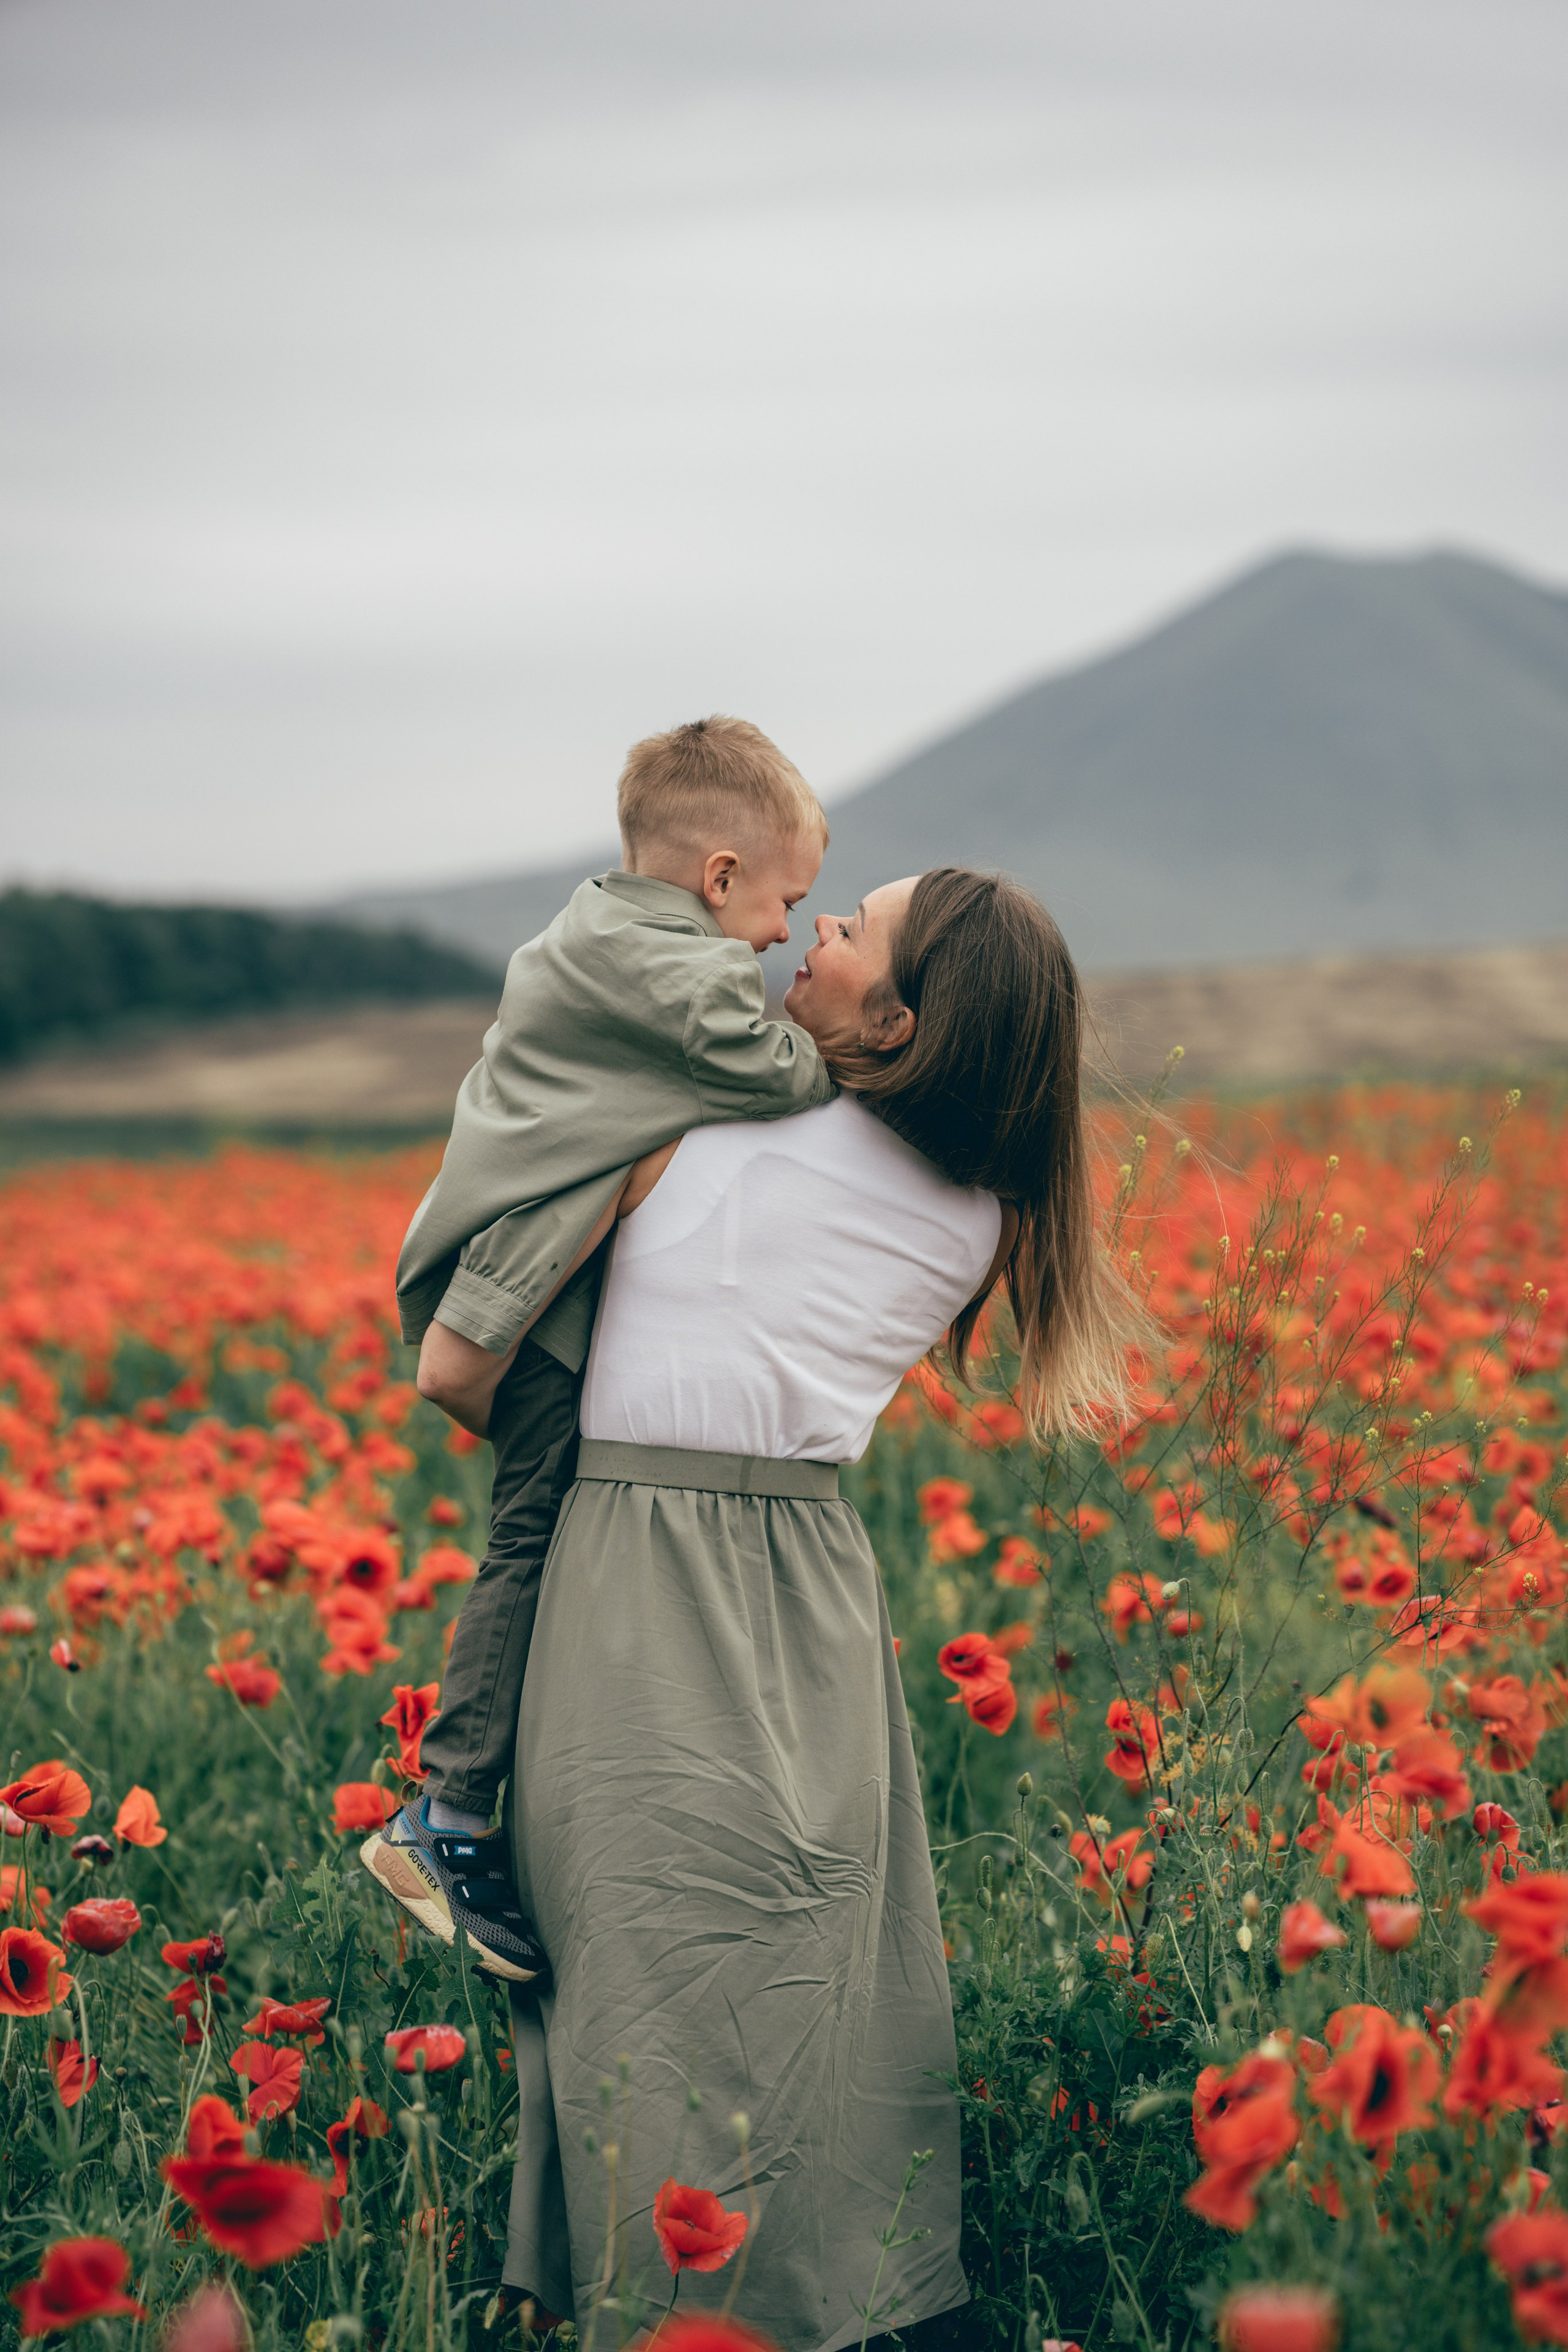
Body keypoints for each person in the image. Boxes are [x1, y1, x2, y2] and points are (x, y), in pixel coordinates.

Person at [484, 868, 1141, 2349]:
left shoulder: (700, 1128)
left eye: (856, 929)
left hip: (636, 1568)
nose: (819, 930)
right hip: (810, 1591)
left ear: (900, 1020)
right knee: (808, 1982)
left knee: (638, 1977)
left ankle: (665, 2312)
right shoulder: (979, 1218)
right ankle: (850, 2304)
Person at [367, 718, 835, 1985]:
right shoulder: (675, 973)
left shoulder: (592, 931)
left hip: (513, 1284)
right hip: (521, 1304)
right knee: (531, 1535)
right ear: (719, 878)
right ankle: (448, 1814)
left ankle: (479, 1803)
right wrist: (861, 1049)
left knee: (549, 1534)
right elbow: (775, 1075)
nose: (785, 934)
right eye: (786, 903)